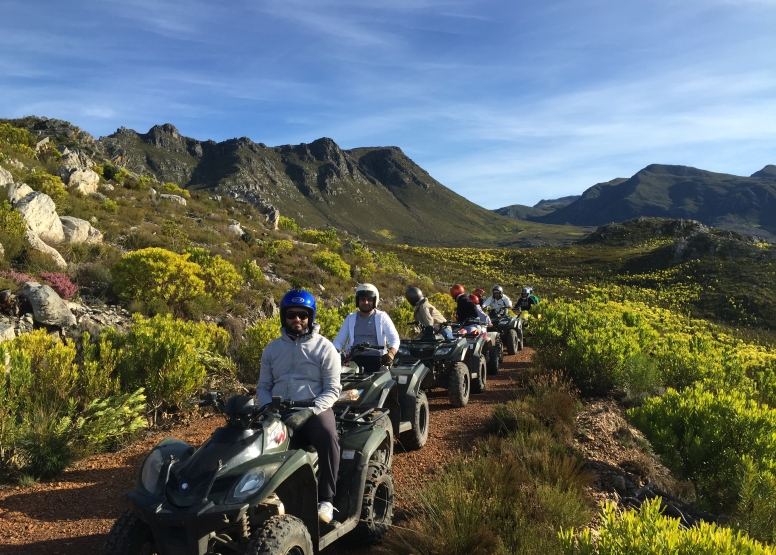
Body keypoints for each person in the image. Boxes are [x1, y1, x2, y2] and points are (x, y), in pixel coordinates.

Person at [257, 288, 342, 524]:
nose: (297, 320)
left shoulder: (325, 348)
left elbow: (333, 389)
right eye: (292, 315)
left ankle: (326, 499)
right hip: (278, 411)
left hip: (314, 409)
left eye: (302, 315)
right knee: (256, 442)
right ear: (284, 316)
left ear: (310, 317)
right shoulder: (272, 349)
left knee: (328, 436)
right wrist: (267, 409)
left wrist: (310, 411)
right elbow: (264, 385)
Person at [333, 283, 400, 373]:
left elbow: (394, 339)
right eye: (362, 299)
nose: (366, 302)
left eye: (369, 299)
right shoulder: (350, 318)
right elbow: (339, 340)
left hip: (378, 360)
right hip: (354, 360)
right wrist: (335, 353)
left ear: (374, 301)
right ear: (357, 301)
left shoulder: (382, 317)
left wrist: (391, 354)